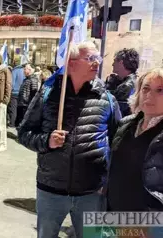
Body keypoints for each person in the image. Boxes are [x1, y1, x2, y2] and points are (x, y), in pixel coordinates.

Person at [18, 41, 122, 238]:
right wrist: (47, 141)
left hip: (91, 192)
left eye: (98, 58)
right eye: (90, 58)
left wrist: (109, 181)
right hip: (51, 190)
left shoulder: (107, 99)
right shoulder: (47, 95)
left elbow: (118, 142)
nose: (97, 63)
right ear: (71, 63)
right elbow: (24, 132)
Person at [107, 68, 163, 212]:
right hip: (113, 212)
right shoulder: (125, 123)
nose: (149, 95)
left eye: (160, 90)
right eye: (145, 89)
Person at [106, 48, 139, 117]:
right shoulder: (129, 81)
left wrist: (109, 85)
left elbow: (109, 106)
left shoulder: (127, 86)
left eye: (114, 61)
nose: (112, 64)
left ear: (121, 62)